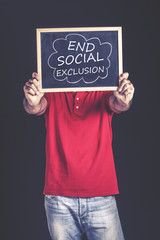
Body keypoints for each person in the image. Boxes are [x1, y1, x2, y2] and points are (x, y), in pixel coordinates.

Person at [23, 72, 135, 240]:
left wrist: (125, 99)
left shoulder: (102, 84)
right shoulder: (52, 85)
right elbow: (36, 106)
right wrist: (32, 100)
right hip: (59, 198)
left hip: (101, 195)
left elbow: (118, 103)